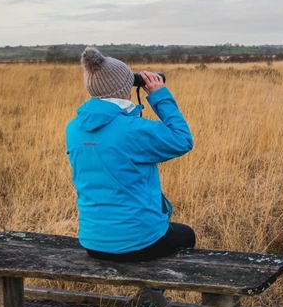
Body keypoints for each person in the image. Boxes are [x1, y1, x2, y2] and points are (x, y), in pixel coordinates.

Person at [66, 46, 195, 261]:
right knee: (186, 235)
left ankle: (149, 294)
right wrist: (159, 95)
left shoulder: (73, 128)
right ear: (127, 87)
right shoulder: (134, 128)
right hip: (139, 242)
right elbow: (183, 140)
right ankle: (153, 293)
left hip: (92, 242)